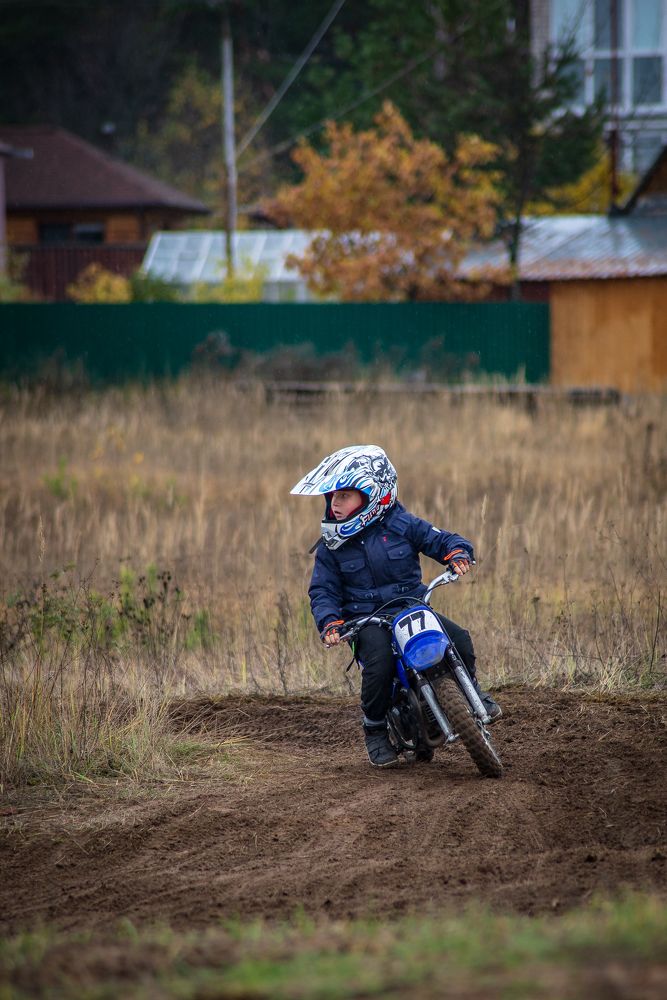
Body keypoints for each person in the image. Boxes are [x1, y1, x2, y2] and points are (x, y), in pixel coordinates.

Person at [291, 444, 502, 769]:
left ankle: (473, 691)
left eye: (344, 495)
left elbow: (440, 539)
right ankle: (375, 730)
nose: (335, 504)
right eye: (331, 497)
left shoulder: (401, 523)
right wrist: (330, 622)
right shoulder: (331, 548)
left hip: (411, 607)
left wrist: (458, 553)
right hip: (366, 620)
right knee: (379, 663)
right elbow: (322, 591)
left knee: (459, 638)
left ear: (373, 494)